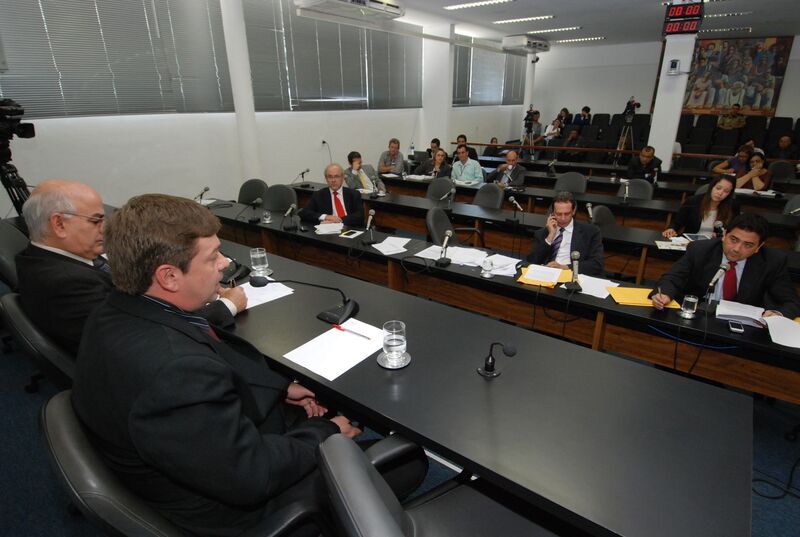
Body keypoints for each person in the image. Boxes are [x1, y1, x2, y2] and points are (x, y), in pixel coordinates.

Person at [70, 193, 365, 537]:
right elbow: (253, 475)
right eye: (212, 258)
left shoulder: (115, 311)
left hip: (202, 455)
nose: (225, 263)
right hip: (245, 511)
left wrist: (279, 388)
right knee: (395, 460)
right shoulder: (175, 372)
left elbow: (206, 364)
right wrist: (325, 432)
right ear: (169, 277)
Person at [15, 180, 245, 354]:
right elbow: (149, 334)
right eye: (96, 220)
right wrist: (226, 306)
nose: (105, 228)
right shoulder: (67, 283)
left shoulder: (38, 259)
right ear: (59, 224)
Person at [651, 213, 800, 318]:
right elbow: (672, 278)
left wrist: (778, 314)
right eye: (733, 240)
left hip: (743, 325)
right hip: (699, 316)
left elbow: (791, 302)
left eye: (748, 245)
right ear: (724, 235)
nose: (737, 249)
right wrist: (664, 294)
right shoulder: (700, 250)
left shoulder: (773, 261)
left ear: (758, 247)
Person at [526, 191, 604, 277]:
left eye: (567, 214)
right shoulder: (543, 233)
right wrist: (550, 237)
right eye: (559, 214)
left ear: (573, 211)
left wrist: (566, 267)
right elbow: (532, 261)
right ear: (552, 213)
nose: (563, 218)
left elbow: (596, 264)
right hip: (547, 275)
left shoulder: (591, 232)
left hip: (573, 275)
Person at [662, 175, 739, 238]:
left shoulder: (732, 206)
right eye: (718, 188)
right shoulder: (693, 201)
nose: (720, 193)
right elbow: (677, 223)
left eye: (726, 191)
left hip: (715, 244)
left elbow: (734, 229)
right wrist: (671, 229)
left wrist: (720, 235)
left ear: (729, 194)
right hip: (691, 243)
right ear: (712, 187)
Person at [299, 163, 364, 227]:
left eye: (336, 176)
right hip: (328, 230)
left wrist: (339, 220)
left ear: (342, 178)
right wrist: (326, 217)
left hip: (349, 228)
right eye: (330, 177)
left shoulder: (353, 194)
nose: (333, 180)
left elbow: (360, 216)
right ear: (326, 179)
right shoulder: (319, 195)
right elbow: (304, 213)